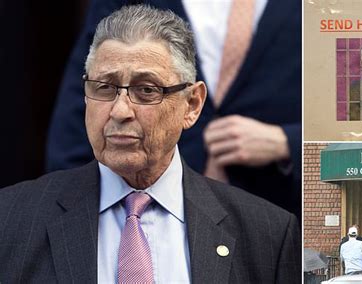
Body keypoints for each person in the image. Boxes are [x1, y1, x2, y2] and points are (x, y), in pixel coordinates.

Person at [0, 6, 301, 283]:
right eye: (104, 88)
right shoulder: (12, 220)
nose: (120, 111)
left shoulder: (267, 236)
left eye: (146, 90)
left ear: (192, 105)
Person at [45, 0, 301, 218]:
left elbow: (341, 111)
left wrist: (287, 143)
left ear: (194, 103)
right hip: (136, 210)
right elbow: (92, 91)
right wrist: (69, 214)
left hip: (278, 206)